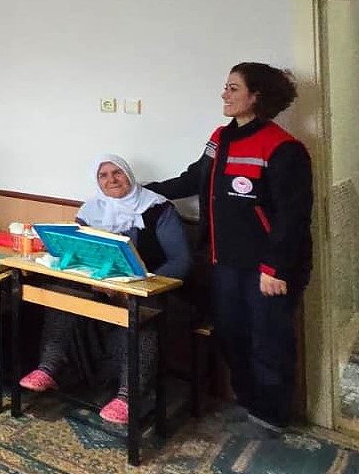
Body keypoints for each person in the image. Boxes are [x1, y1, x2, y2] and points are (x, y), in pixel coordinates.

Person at [145, 62, 312, 436]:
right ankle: (250, 403)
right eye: (226, 86)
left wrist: (275, 269)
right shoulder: (219, 138)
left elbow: (293, 217)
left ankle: (271, 416)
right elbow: (194, 179)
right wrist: (143, 191)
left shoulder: (283, 148)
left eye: (233, 88)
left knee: (269, 340)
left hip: (267, 269)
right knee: (231, 334)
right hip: (224, 263)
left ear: (257, 96)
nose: (224, 94)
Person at [18, 155, 191, 424]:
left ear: (129, 175)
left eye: (117, 172)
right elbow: (79, 255)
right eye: (103, 175)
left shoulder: (157, 208)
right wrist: (94, 281)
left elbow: (181, 262)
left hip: (153, 291)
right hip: (102, 288)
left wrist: (137, 287)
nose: (112, 180)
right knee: (62, 293)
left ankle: (129, 396)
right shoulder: (91, 211)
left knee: (143, 313)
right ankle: (49, 366)